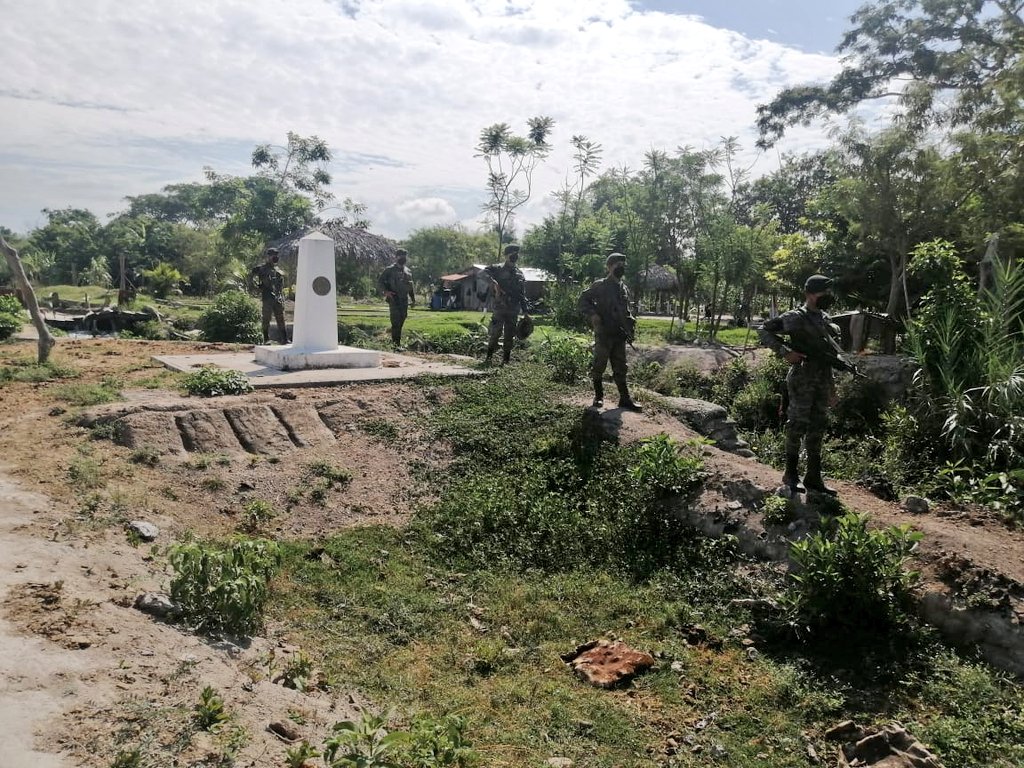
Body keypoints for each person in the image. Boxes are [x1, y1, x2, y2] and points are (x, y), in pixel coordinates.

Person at [757, 274, 841, 495]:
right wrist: (786, 352)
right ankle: (790, 474)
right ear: (810, 294)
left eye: (828, 292)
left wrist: (832, 388)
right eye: (823, 292)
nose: (827, 296)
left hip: (822, 379)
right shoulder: (796, 317)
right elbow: (763, 330)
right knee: (797, 425)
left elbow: (828, 358)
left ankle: (813, 476)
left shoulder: (825, 320)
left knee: (818, 427)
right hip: (802, 378)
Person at [578, 252, 642, 411]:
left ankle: (625, 399)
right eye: (617, 264)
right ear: (609, 267)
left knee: (621, 367)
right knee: (599, 364)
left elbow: (626, 312)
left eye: (623, 264)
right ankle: (598, 396)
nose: (621, 267)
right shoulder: (600, 285)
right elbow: (583, 300)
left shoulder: (623, 288)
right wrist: (593, 314)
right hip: (604, 332)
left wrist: (629, 329)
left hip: (619, 334)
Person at [484, 244, 530, 365]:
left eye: (517, 254)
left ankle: (506, 361)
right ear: (506, 255)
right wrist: (493, 282)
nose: (515, 256)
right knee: (495, 333)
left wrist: (525, 312)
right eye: (512, 254)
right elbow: (482, 274)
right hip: (500, 307)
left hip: (513, 309)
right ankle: (488, 357)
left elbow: (522, 294)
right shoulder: (496, 268)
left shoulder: (520, 273)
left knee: (509, 335)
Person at [378, 248, 415, 349]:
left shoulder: (408, 271)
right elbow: (380, 282)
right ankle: (396, 345)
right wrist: (386, 292)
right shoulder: (389, 270)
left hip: (404, 300)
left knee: (402, 319)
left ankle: (397, 343)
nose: (403, 258)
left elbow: (411, 286)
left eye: (404, 256)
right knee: (395, 321)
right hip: (394, 299)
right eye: (401, 256)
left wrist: (413, 299)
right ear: (396, 257)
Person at [251, 247, 288, 344]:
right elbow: (250, 278)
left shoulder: (278, 270)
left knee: (281, 318)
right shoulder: (260, 269)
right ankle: (266, 339)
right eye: (272, 255)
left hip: (277, 298)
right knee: (266, 318)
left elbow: (280, 284)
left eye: (276, 255)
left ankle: (284, 339)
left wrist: (281, 295)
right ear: (268, 257)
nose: (274, 257)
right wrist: (257, 288)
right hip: (267, 297)